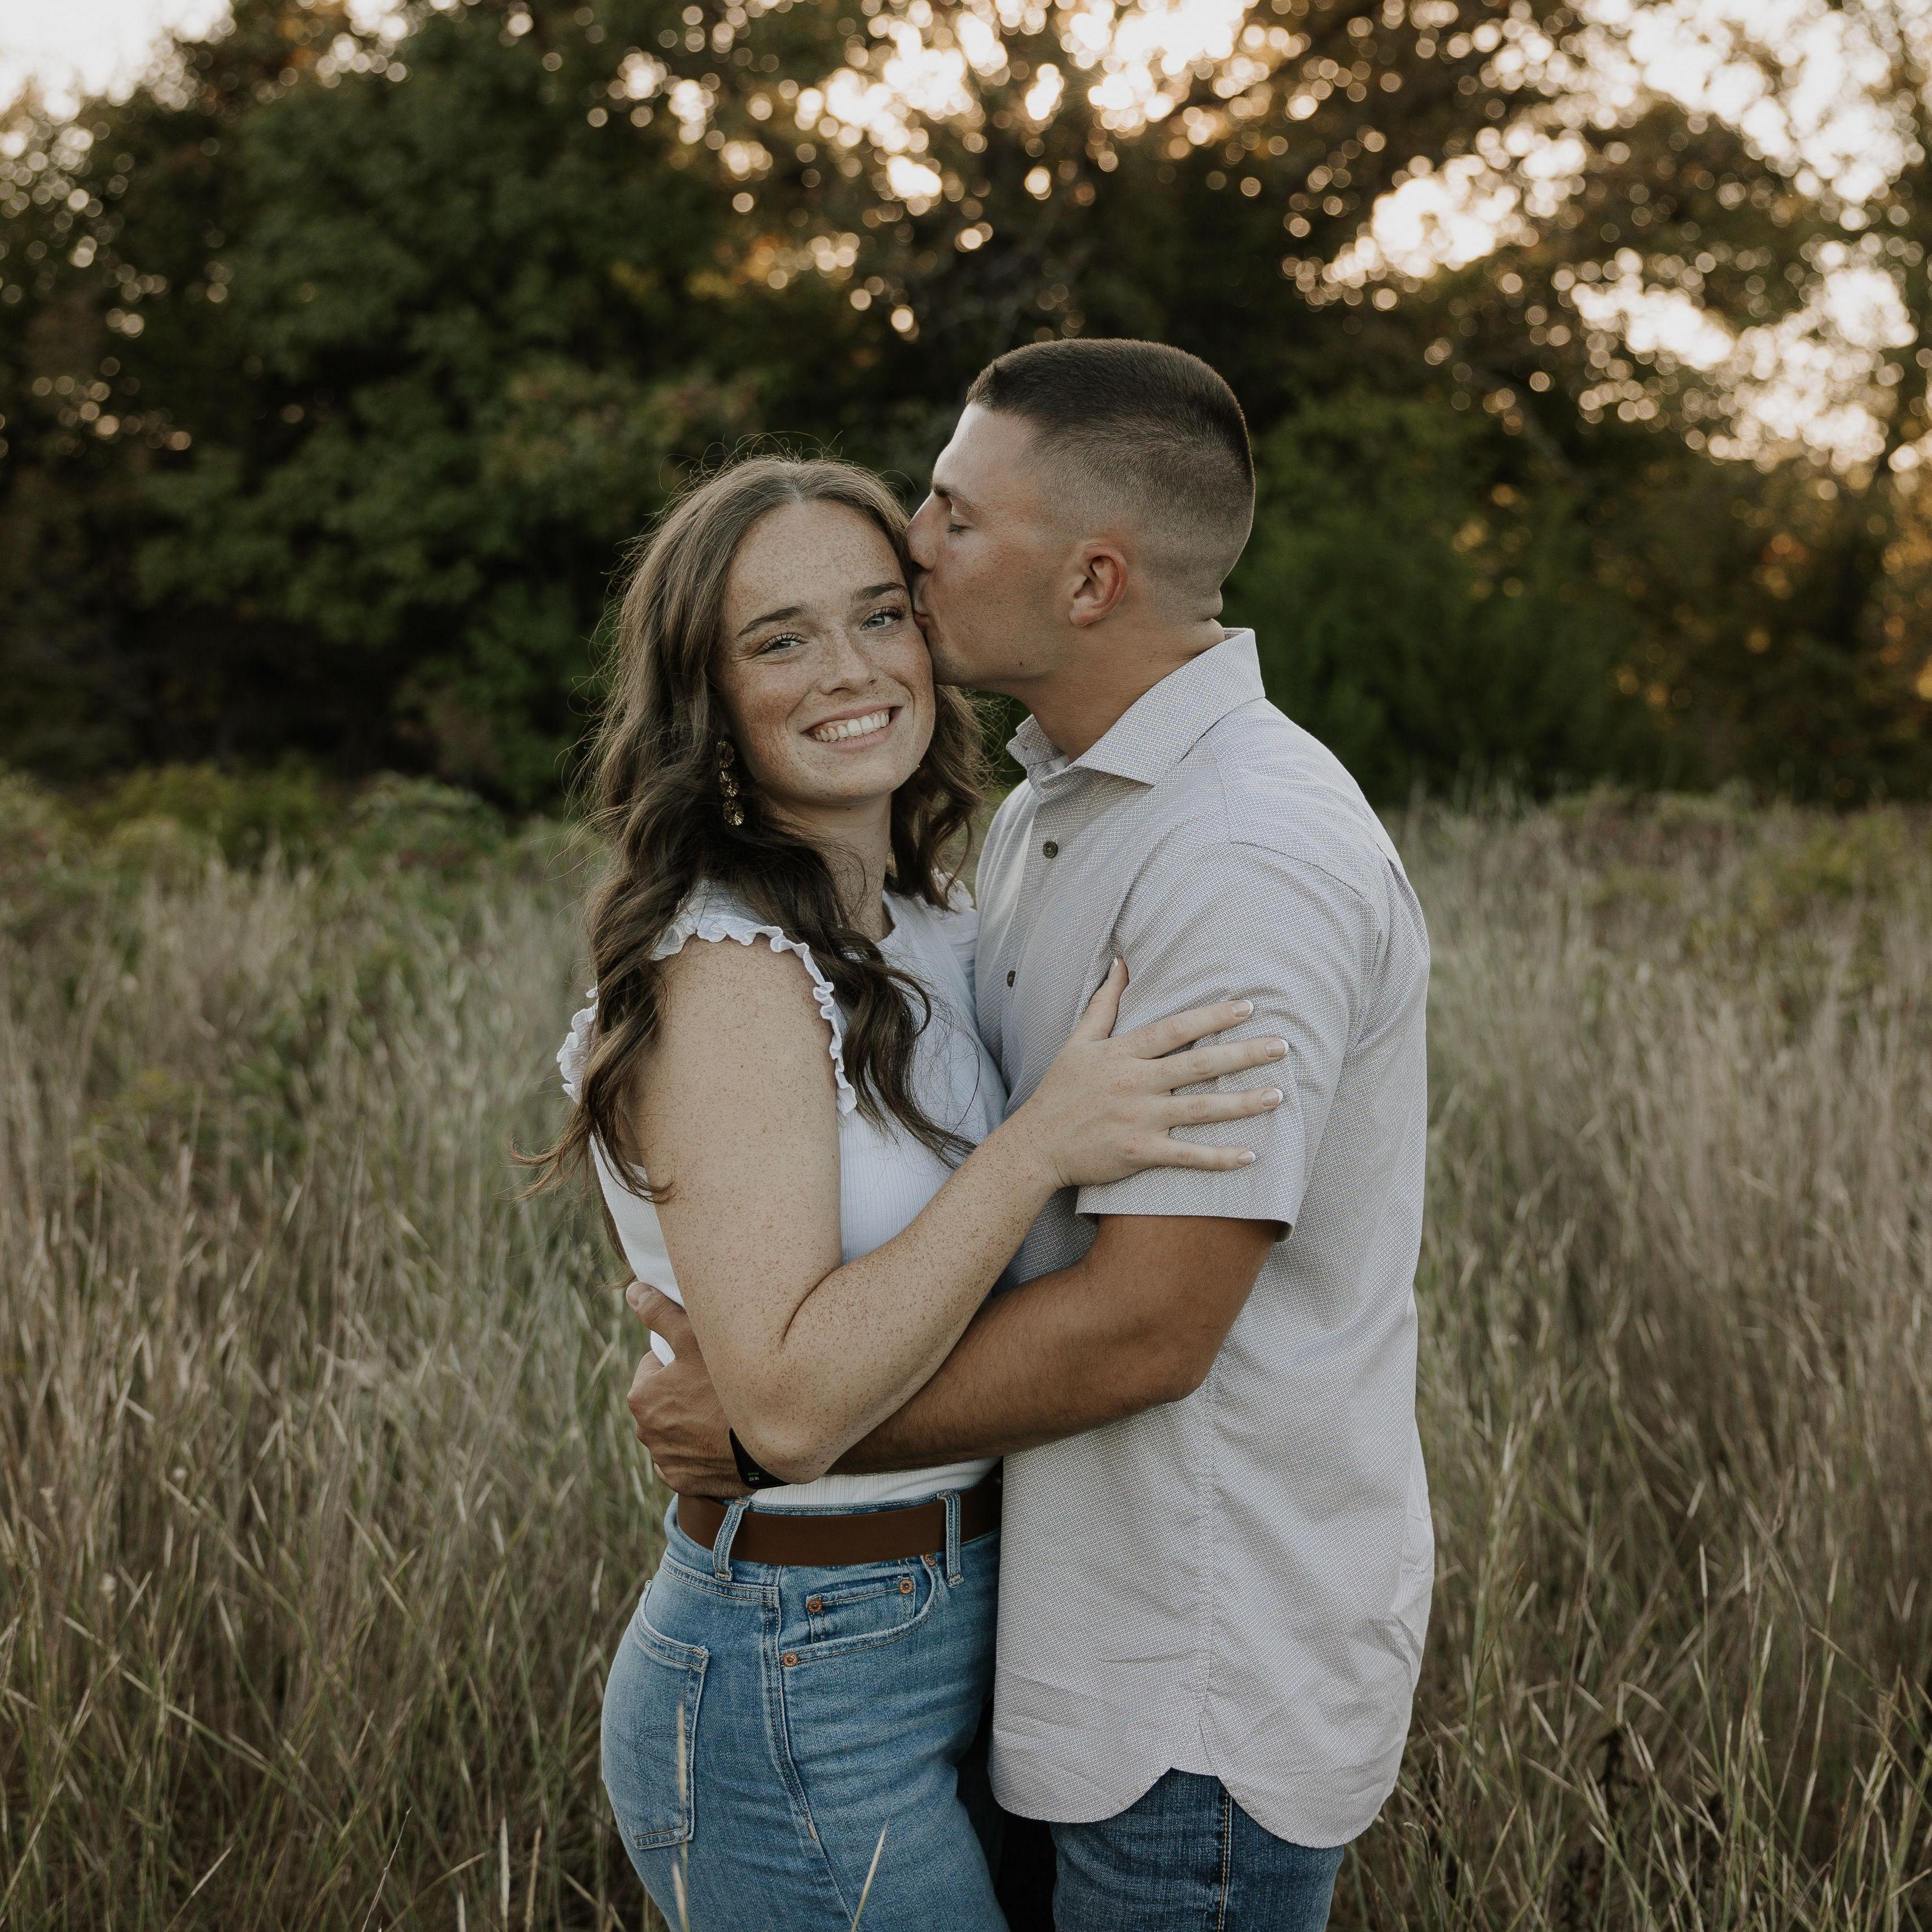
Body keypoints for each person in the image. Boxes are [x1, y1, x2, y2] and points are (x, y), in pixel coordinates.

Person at [626, 340, 1434, 1932]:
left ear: (1091, 581)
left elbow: (1147, 1325)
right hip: (1021, 1645)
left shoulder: (1237, 854)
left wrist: (783, 1430)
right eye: (781, 636)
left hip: (1190, 1674)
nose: (915, 544)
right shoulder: (1051, 818)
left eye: (953, 516)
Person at [540, 452, 1293, 1930]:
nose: (850, 670)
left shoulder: (943, 924)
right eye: (780, 639)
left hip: (989, 1623)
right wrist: (1038, 1147)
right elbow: (789, 1408)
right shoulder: (728, 975)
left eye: (880, 614)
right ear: (706, 696)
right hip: (799, 1663)